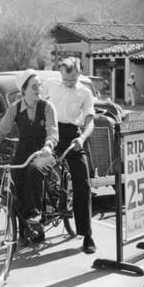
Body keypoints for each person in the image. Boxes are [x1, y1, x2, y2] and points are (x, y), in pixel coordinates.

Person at [0, 69, 58, 245]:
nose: (38, 89)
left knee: (34, 169)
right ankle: (24, 231)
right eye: (34, 86)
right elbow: (2, 130)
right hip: (23, 150)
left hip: (43, 151)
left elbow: (53, 130)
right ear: (23, 90)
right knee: (15, 182)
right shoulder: (14, 108)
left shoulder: (47, 107)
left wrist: (48, 145)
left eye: (39, 85)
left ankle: (34, 216)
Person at [43, 57, 96, 253]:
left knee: (83, 182)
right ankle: (37, 226)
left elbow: (90, 122)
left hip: (73, 136)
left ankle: (87, 234)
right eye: (65, 80)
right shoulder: (50, 85)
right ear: (60, 74)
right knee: (38, 173)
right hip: (51, 132)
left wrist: (81, 139)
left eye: (72, 80)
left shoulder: (85, 92)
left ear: (79, 74)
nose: (68, 84)